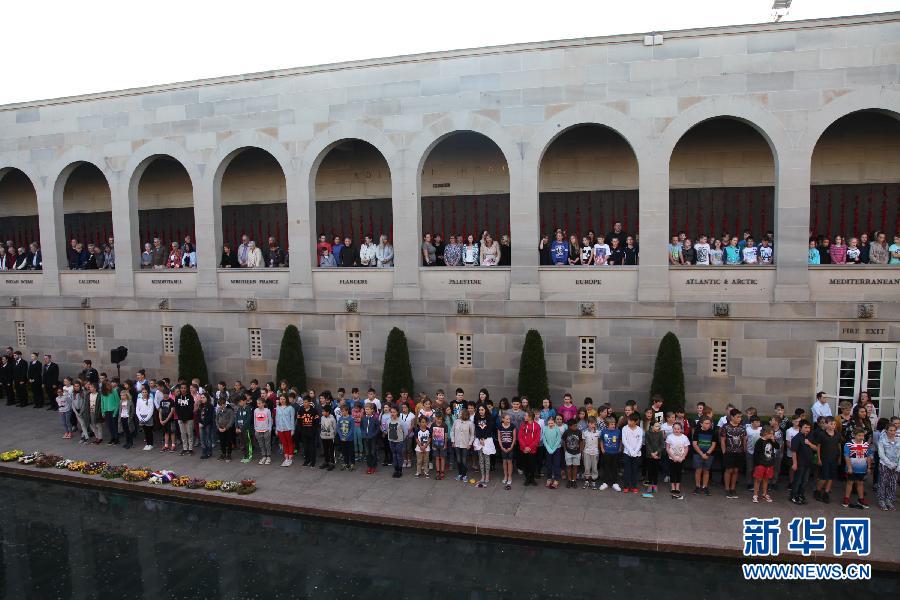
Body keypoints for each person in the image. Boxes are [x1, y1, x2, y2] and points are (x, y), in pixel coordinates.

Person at [813, 416, 841, 503]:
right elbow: (818, 447)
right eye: (831, 424)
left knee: (831, 477)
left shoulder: (837, 434)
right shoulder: (822, 434)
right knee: (823, 477)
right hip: (825, 458)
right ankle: (817, 490)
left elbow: (839, 446)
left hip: (834, 458)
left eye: (834, 424)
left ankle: (826, 492)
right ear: (826, 424)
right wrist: (819, 458)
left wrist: (840, 457)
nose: (833, 426)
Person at [842, 429, 872, 508]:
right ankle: (846, 498)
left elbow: (868, 456)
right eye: (859, 435)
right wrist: (849, 467)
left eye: (862, 436)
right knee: (850, 483)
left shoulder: (866, 444)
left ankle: (861, 499)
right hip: (851, 468)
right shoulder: (848, 444)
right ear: (854, 435)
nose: (861, 437)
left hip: (862, 469)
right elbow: (847, 456)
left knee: (860, 483)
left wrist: (869, 467)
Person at [720, 408, 746, 499]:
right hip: (729, 451)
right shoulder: (726, 427)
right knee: (729, 470)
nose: (739, 419)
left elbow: (744, 439)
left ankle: (733, 488)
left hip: (739, 452)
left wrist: (744, 450)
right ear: (732, 417)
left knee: (735, 470)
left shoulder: (742, 427)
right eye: (738, 417)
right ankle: (727, 488)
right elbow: (723, 440)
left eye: (740, 417)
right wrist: (724, 451)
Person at [751, 426, 778, 503]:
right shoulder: (759, 442)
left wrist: (773, 440)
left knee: (766, 479)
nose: (772, 435)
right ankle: (755, 495)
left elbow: (777, 447)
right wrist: (758, 464)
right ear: (766, 433)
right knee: (758, 480)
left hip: (769, 463)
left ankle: (764, 494)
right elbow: (755, 454)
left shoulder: (771, 441)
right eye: (771, 434)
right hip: (761, 464)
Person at [790, 419, 815, 505]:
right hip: (800, 463)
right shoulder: (797, 438)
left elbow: (815, 448)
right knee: (798, 480)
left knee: (805, 481)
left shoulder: (811, 436)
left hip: (808, 463)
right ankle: (793, 496)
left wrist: (809, 444)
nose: (807, 429)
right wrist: (795, 463)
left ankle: (801, 495)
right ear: (800, 428)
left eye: (809, 427)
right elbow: (793, 451)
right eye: (805, 427)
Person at [876, 423, 899, 511]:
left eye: (894, 430)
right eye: (890, 430)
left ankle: (889, 500)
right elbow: (881, 455)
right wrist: (890, 464)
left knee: (892, 483)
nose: (892, 432)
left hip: (895, 466)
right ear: (886, 431)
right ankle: (881, 500)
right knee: (883, 482)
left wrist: (897, 465)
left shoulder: (898, 440)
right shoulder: (882, 441)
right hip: (885, 465)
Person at [666, 422, 689, 499]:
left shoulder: (684, 437)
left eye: (678, 429)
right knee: (672, 472)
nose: (676, 430)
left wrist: (682, 457)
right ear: (673, 429)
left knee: (679, 472)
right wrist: (673, 457)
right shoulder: (669, 437)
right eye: (675, 429)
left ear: (681, 429)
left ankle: (677, 486)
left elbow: (686, 448)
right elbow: (667, 448)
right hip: (672, 458)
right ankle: (673, 486)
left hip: (681, 459)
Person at [621, 413, 643, 494]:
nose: (629, 422)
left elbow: (640, 442)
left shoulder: (639, 430)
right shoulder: (624, 428)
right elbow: (624, 441)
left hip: (637, 454)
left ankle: (634, 486)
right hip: (627, 453)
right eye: (628, 420)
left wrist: (635, 451)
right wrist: (630, 451)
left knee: (635, 470)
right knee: (627, 470)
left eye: (631, 421)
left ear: (636, 421)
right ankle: (626, 486)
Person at [473, 404, 495, 487]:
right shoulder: (476, 418)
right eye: (479, 410)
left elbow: (489, 429)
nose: (481, 411)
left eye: (482, 410)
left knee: (487, 458)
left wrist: (484, 438)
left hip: (487, 440)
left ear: (485, 410)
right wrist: (480, 438)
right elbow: (477, 429)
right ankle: (482, 475)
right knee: (481, 458)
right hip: (479, 440)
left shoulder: (489, 418)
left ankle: (487, 475)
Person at [452, 407, 474, 481]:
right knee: (458, 460)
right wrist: (453, 441)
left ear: (464, 414)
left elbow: (472, 435)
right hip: (457, 444)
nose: (459, 414)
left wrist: (470, 444)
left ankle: (464, 475)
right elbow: (452, 431)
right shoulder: (456, 421)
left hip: (465, 444)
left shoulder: (470, 423)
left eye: (461, 413)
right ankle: (460, 474)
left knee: (464, 460)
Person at [561, 418, 584, 489]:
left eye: (576, 425)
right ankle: (569, 480)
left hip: (577, 452)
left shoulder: (579, 432)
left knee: (575, 467)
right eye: (574, 426)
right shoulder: (566, 432)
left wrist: (580, 450)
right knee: (568, 466)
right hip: (568, 452)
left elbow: (581, 441)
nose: (575, 427)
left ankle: (574, 480)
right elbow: (564, 441)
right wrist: (565, 450)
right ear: (570, 426)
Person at [254, 397, 273, 465]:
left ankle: (268, 457)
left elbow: (270, 420)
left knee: (267, 444)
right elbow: (255, 420)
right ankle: (264, 456)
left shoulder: (267, 411)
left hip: (266, 430)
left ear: (263, 404)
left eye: (259, 403)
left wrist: (269, 429)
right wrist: (255, 429)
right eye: (257, 403)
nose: (258, 405)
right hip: (258, 430)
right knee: (261, 444)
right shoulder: (256, 410)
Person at [386, 406, 405, 478]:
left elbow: (405, 431)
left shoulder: (401, 421)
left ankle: (400, 470)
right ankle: (395, 469)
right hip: (391, 440)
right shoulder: (388, 420)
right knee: (394, 455)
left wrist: (402, 438)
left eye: (394, 412)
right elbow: (387, 429)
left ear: (397, 412)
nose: (392, 413)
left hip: (399, 441)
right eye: (391, 412)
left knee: (399, 455)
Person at [136, 386, 156, 451]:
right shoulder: (139, 400)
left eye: (145, 392)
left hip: (148, 417)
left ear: (147, 393)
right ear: (141, 393)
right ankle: (147, 444)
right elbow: (137, 409)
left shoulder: (150, 400)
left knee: (149, 431)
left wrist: (146, 418)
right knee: (145, 431)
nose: (144, 393)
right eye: (143, 392)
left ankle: (151, 444)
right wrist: (140, 417)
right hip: (141, 417)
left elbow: (151, 410)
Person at [157, 388, 176, 452]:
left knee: (172, 432)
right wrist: (160, 420)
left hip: (170, 420)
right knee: (166, 432)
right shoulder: (162, 401)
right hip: (163, 419)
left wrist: (166, 420)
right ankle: (166, 445)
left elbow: (172, 411)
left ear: (168, 394)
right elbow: (160, 411)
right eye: (164, 394)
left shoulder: (171, 401)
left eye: (166, 394)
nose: (165, 395)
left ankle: (173, 445)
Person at [337, 406, 355, 471]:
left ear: (347, 411)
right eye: (341, 411)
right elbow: (338, 428)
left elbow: (352, 429)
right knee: (344, 452)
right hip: (342, 439)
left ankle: (352, 464)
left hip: (349, 439)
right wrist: (341, 436)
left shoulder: (351, 419)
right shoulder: (340, 418)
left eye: (343, 411)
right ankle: (346, 463)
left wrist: (346, 437)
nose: (342, 412)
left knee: (351, 451)